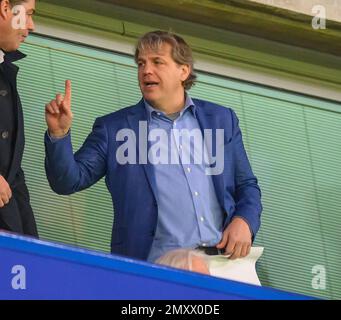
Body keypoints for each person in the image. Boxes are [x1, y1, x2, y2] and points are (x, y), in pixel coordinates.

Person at [44, 30, 262, 265]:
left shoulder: (221, 119)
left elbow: (246, 185)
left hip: (224, 263)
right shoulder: (115, 129)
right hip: (156, 269)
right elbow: (67, 181)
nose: (146, 70)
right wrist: (59, 134)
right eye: (141, 63)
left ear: (183, 71)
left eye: (157, 62)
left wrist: (244, 221)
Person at [0, 0, 38, 236]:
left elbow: (12, 171)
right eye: (28, 14)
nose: (31, 25)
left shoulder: (5, 71)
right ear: (5, 8)